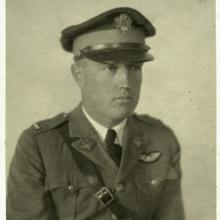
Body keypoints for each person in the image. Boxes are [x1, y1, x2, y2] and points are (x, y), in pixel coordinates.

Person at [7, 7, 185, 220]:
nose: (125, 82)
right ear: (78, 75)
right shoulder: (40, 145)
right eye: (110, 68)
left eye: (134, 68)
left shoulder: (160, 140)